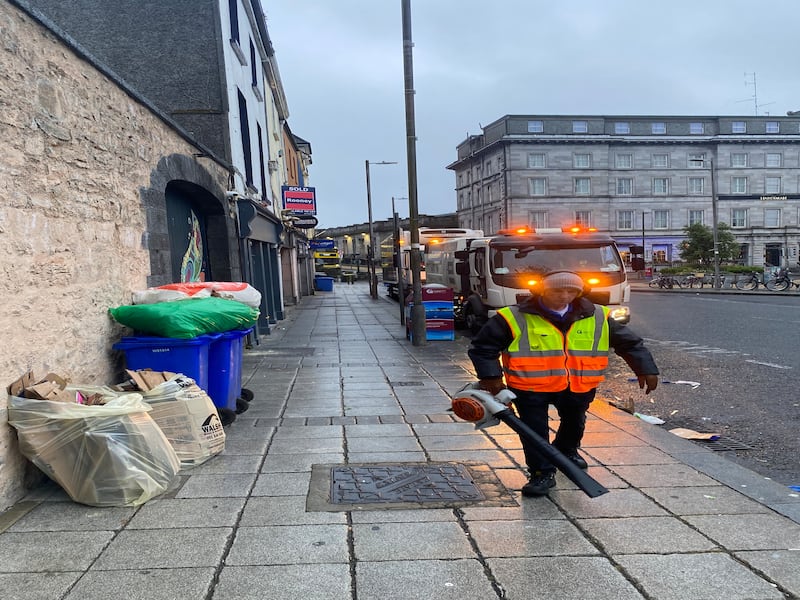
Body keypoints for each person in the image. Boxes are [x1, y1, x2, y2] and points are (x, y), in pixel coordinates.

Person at [468, 270, 659, 497]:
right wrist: (492, 379)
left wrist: (645, 368)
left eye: (571, 291)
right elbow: (483, 348)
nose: (564, 296)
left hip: (578, 383)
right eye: (557, 290)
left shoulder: (598, 315)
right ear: (542, 290)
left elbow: (630, 344)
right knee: (533, 431)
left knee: (575, 422)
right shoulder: (512, 316)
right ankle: (542, 473)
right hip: (530, 386)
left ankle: (566, 450)